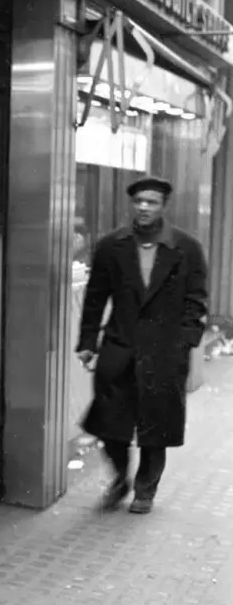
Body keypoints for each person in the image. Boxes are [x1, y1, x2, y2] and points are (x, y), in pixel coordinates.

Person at [77, 176, 208, 514]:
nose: (145, 207)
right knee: (109, 423)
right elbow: (95, 298)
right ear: (132, 205)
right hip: (119, 348)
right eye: (139, 202)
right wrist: (88, 341)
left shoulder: (187, 248)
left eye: (152, 202)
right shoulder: (111, 246)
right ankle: (120, 479)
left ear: (163, 206)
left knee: (155, 426)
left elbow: (196, 301)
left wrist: (184, 343)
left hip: (164, 353)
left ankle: (145, 491)